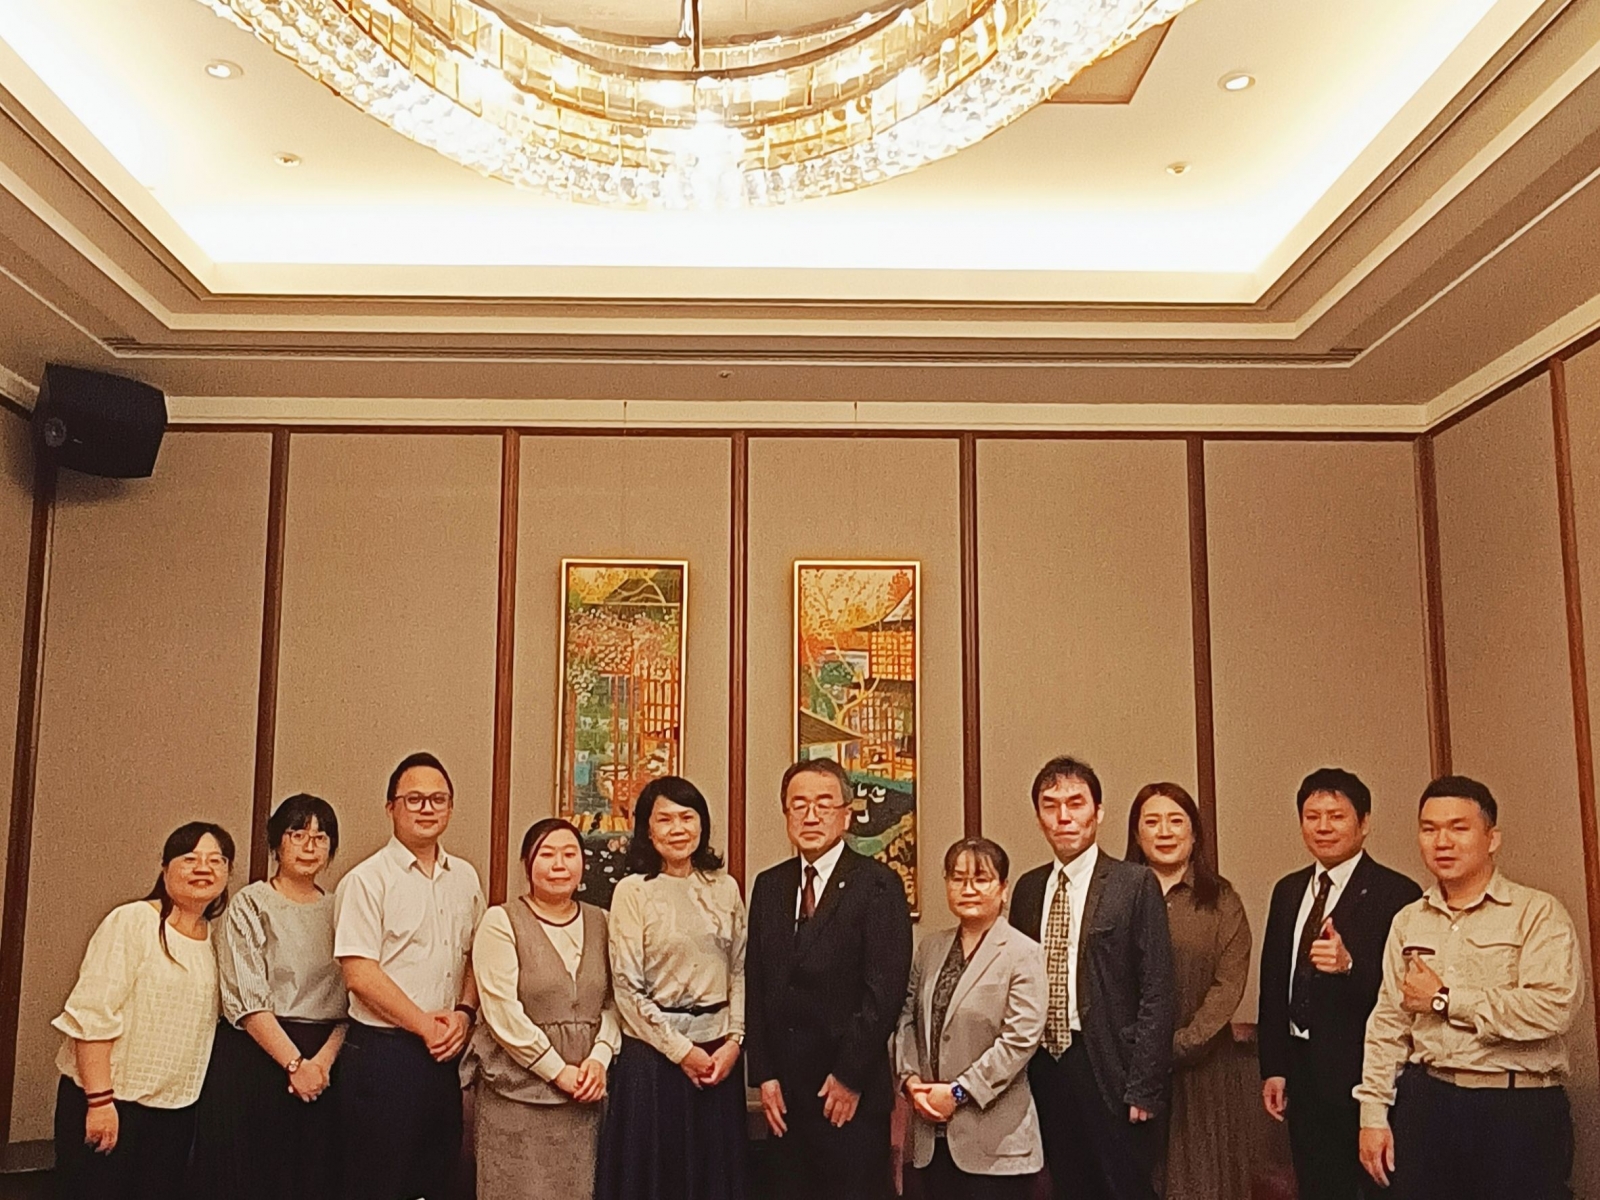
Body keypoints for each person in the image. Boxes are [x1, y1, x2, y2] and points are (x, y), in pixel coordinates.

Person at [1356, 775, 1583, 1200]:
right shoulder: (1409, 920)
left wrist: (1445, 1000)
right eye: (1429, 829)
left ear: (1491, 838)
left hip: (1516, 1108)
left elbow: (1553, 1008)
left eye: (1458, 828)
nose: (1442, 841)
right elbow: (1388, 1022)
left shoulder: (1536, 912)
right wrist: (1373, 1113)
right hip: (1428, 1102)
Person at [745, 757, 913, 1200]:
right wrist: (764, 1075)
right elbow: (755, 983)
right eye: (798, 805)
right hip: (785, 1095)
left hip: (848, 1091)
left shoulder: (878, 884)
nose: (811, 815)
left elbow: (885, 993)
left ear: (846, 813)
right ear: (785, 813)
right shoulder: (769, 885)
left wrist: (848, 1075)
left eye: (823, 804)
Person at [1010, 755, 1175, 1200]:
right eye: (1050, 806)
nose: (1063, 817)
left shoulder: (1133, 884)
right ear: (1039, 817)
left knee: (1124, 1186)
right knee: (1068, 1185)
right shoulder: (1028, 888)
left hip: (1109, 1065)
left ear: (1098, 812)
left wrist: (1144, 1086)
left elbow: (1158, 990)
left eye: (1076, 803)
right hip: (1045, 1065)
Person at [1258, 767, 1421, 1200]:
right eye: (1313, 817)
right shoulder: (1288, 890)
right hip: (1301, 1071)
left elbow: (1405, 993)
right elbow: (1273, 982)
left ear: (1364, 823)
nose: (1323, 827)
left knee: (1373, 1188)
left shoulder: (1397, 893)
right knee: (1315, 1185)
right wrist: (1274, 1066)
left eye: (1336, 816)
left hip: (1362, 1071)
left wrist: (1350, 966)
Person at [52, 822, 235, 1200]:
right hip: (110, 1103)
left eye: (216, 860)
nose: (203, 868)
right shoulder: (133, 921)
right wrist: (100, 1102)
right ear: (165, 868)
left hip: (175, 1112)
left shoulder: (214, 939)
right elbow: (92, 1014)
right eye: (190, 859)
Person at [334, 751, 485, 1200]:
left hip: (444, 1054)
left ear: (450, 808)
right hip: (384, 1056)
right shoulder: (367, 880)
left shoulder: (465, 877)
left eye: (438, 799)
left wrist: (464, 1013)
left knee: (437, 1178)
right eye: (414, 799)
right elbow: (359, 973)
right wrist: (424, 1025)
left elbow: (477, 955)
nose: (427, 808)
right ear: (391, 808)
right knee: (379, 1184)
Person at [596, 776, 748, 1200]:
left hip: (719, 1057)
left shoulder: (725, 887)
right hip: (654, 1060)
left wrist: (734, 1041)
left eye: (687, 817)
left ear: (702, 824)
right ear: (647, 829)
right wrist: (683, 1052)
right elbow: (626, 988)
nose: (677, 828)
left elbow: (739, 970)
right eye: (664, 819)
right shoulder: (633, 891)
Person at [190, 795, 348, 1200]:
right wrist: (295, 1064)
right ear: (277, 842)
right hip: (258, 1058)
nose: (309, 846)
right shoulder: (250, 903)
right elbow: (248, 1002)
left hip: (325, 1063)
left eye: (321, 837)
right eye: (298, 834)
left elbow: (353, 1001)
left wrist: (320, 1065)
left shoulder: (341, 909)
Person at [465, 817, 620, 1200]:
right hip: (517, 1095)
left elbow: (615, 1002)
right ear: (526, 863)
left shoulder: (603, 921)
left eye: (569, 854)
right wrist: (557, 1071)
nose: (559, 865)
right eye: (547, 854)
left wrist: (599, 1058)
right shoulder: (501, 921)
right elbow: (502, 1013)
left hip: (584, 1096)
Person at [895, 837, 1047, 1200]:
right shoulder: (930, 948)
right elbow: (906, 1018)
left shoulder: (1023, 953)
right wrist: (910, 1080)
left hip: (995, 1142)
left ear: (1004, 889)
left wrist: (959, 1092)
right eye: (958, 878)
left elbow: (1019, 1040)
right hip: (930, 1136)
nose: (968, 889)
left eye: (981, 879)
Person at [1124, 783, 1251, 1200]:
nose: (1164, 832)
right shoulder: (1115, 899)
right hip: (1129, 1071)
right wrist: (1140, 1056)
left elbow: (1228, 986)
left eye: (1176, 821)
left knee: (1201, 1183)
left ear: (1194, 833)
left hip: (1204, 1070)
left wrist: (1177, 1046)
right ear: (1136, 834)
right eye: (1152, 822)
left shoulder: (1222, 901)